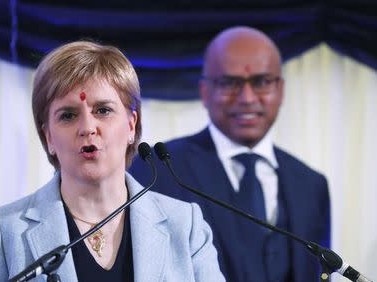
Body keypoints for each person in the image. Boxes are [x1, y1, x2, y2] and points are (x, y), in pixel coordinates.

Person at [0, 41, 225, 282]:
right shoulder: (4, 230)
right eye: (68, 115)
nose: (88, 127)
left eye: (103, 110)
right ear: (48, 137)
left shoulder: (185, 225)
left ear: (131, 125)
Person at [130, 26, 331, 282]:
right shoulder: (158, 169)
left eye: (261, 82)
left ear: (280, 89)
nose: (247, 98)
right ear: (204, 92)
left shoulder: (311, 184)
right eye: (229, 83)